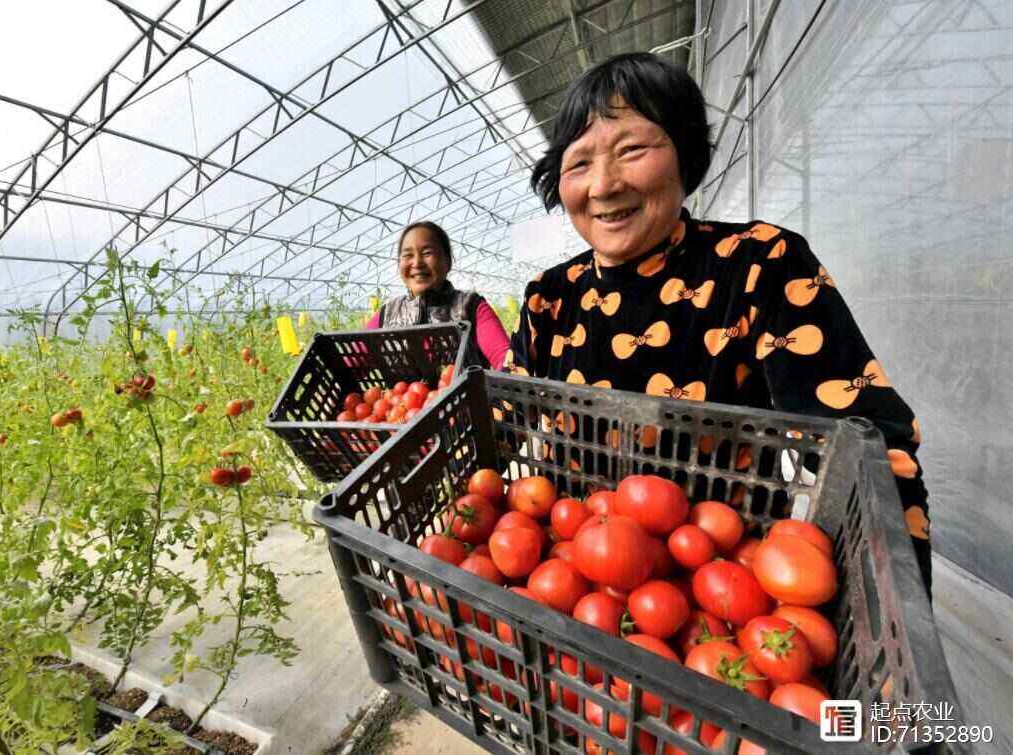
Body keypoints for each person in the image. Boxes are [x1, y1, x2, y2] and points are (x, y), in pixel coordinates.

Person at [506, 52, 933, 596]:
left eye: (631, 149)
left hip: (728, 585)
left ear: (684, 154)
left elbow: (868, 445)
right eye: (579, 163)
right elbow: (505, 411)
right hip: (568, 578)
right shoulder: (550, 296)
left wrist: (896, 614)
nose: (604, 185)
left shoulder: (759, 265)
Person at [366, 221, 511, 370]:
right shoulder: (387, 314)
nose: (417, 263)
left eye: (427, 253)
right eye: (408, 255)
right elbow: (351, 365)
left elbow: (505, 359)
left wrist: (507, 372)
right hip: (399, 394)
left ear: (448, 261)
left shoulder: (471, 307)